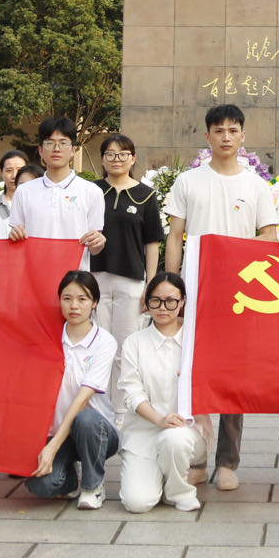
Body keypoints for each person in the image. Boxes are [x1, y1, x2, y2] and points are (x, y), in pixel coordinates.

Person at [163, 104, 279, 490]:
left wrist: (237, 254)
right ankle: (196, 457)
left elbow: (268, 235)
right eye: (219, 130)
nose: (226, 137)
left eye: (233, 130)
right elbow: (174, 235)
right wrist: (171, 286)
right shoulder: (188, 181)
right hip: (195, 291)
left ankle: (228, 462)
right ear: (207, 136)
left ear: (243, 136)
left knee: (232, 377)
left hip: (240, 295)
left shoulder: (256, 185)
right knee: (189, 372)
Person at [25, 271, 120, 509]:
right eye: (67, 299)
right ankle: (67, 479)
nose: (74, 306)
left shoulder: (104, 342)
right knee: (41, 485)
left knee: (85, 418)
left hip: (96, 432)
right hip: (55, 431)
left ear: (94, 302)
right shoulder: (49, 336)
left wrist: (52, 447)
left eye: (82, 299)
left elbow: (82, 399)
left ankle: (93, 486)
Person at [117, 272, 207, 513]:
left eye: (170, 301)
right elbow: (132, 392)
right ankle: (161, 471)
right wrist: (159, 419)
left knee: (173, 439)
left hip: (185, 432)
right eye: (155, 301)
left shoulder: (195, 340)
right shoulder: (134, 342)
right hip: (143, 432)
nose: (163, 308)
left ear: (183, 301)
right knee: (137, 503)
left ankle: (179, 491)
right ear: (147, 302)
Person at [94, 133, 163, 412]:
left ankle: (122, 411)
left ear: (133, 159)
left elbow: (152, 243)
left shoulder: (146, 195)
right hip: (95, 280)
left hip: (131, 280)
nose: (116, 159)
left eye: (123, 154)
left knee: (124, 349)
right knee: (99, 347)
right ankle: (98, 409)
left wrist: (150, 283)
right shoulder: (92, 191)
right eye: (110, 154)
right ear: (102, 159)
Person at [8, 117, 108, 266]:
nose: (56, 148)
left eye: (63, 142)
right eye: (50, 143)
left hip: (74, 276)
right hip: (33, 274)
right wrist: (14, 235)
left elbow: (94, 249)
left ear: (73, 150)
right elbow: (16, 238)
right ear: (41, 151)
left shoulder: (92, 192)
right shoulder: (24, 191)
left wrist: (99, 242)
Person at [0, 149, 30, 221]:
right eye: (9, 170)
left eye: (19, 170)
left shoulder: (37, 204)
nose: (14, 176)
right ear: (2, 173)